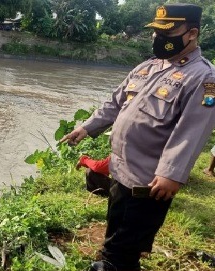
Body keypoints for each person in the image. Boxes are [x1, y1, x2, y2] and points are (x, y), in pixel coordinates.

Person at [60, 3, 215, 271]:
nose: (158, 38)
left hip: (149, 183)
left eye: (167, 32)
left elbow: (193, 129)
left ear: (191, 34)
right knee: (117, 227)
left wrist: (172, 174)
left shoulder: (202, 77)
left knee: (125, 245)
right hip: (121, 171)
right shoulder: (148, 67)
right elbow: (115, 103)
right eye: (156, 32)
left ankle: (114, 264)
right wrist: (86, 127)